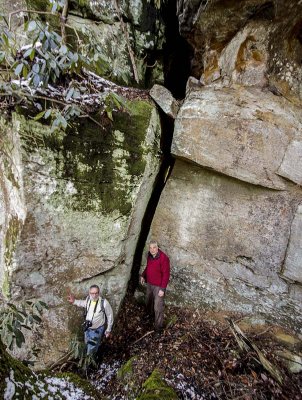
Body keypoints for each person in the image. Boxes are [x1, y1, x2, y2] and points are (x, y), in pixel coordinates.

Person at [68, 285, 113, 356]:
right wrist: (74, 301)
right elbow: (83, 303)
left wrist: (108, 330)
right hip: (87, 328)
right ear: (89, 293)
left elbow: (110, 316)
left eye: (96, 293)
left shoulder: (104, 303)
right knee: (87, 342)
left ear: (99, 293)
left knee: (91, 348)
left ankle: (90, 359)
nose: (94, 295)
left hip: (97, 330)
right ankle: (92, 351)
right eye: (92, 293)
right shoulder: (88, 299)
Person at [140, 240, 170, 332]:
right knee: (148, 301)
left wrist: (162, 289)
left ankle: (158, 328)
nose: (152, 250)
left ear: (158, 248)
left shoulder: (163, 258)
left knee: (158, 306)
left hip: (158, 286)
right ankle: (149, 315)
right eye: (151, 248)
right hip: (149, 283)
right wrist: (143, 275)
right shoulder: (149, 255)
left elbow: (166, 274)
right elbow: (148, 267)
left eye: (154, 247)